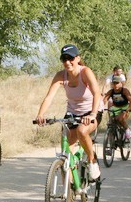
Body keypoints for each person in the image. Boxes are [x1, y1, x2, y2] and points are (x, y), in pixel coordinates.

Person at [35, 44, 102, 180]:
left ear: (78, 58)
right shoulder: (60, 76)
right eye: (64, 59)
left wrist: (92, 115)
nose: (67, 62)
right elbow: (49, 97)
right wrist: (40, 114)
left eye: (70, 58)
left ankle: (92, 160)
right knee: (66, 152)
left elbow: (96, 93)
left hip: (92, 110)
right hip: (73, 112)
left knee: (82, 131)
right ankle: (70, 190)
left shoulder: (85, 72)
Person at [103, 74, 131, 139]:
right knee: (111, 121)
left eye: (117, 83)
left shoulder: (125, 91)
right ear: (112, 84)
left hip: (124, 107)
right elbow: (104, 100)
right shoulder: (111, 91)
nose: (115, 85)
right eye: (114, 83)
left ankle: (127, 129)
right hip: (115, 108)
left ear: (121, 83)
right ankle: (112, 137)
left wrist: (128, 109)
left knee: (120, 119)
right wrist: (100, 107)